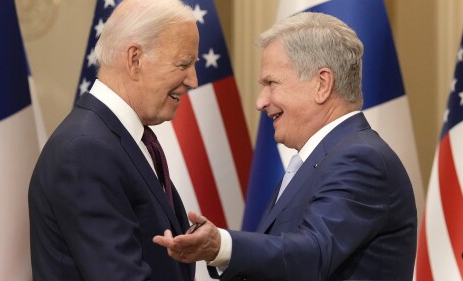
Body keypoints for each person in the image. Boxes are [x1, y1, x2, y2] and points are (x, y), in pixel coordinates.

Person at [153, 12, 417, 281]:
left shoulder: (361, 159)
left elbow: (313, 254)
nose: (261, 101)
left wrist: (222, 246)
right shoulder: (320, 160)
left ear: (322, 84)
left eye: (271, 83)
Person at [28, 0, 199, 280]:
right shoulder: (86, 150)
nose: (193, 80)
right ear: (134, 60)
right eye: (184, 63)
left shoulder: (124, 140)